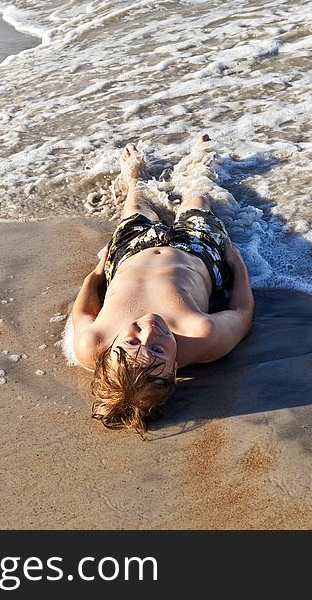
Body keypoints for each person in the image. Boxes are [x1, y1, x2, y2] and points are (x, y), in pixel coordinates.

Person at [72, 135, 254, 436]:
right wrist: (237, 265)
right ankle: (201, 161)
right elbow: (241, 311)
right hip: (197, 252)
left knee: (135, 204)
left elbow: (85, 310)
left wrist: (96, 272)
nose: (149, 330)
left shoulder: (91, 343)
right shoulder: (202, 336)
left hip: (130, 253)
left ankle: (135, 175)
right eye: (157, 348)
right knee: (198, 200)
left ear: (107, 354)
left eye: (131, 341)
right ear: (173, 372)